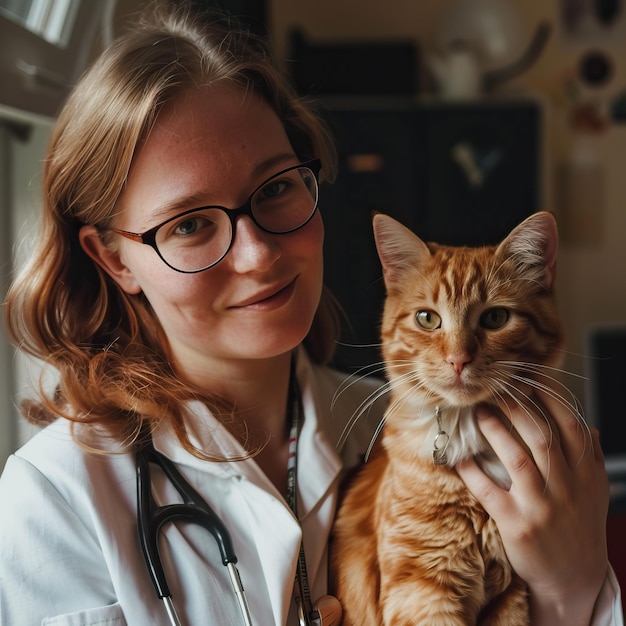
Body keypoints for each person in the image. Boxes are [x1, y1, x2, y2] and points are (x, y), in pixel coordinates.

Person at [0, 2, 622, 625]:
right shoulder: (53, 497)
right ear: (114, 260)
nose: (258, 253)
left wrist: (568, 587)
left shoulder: (402, 425)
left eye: (274, 188)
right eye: (189, 223)